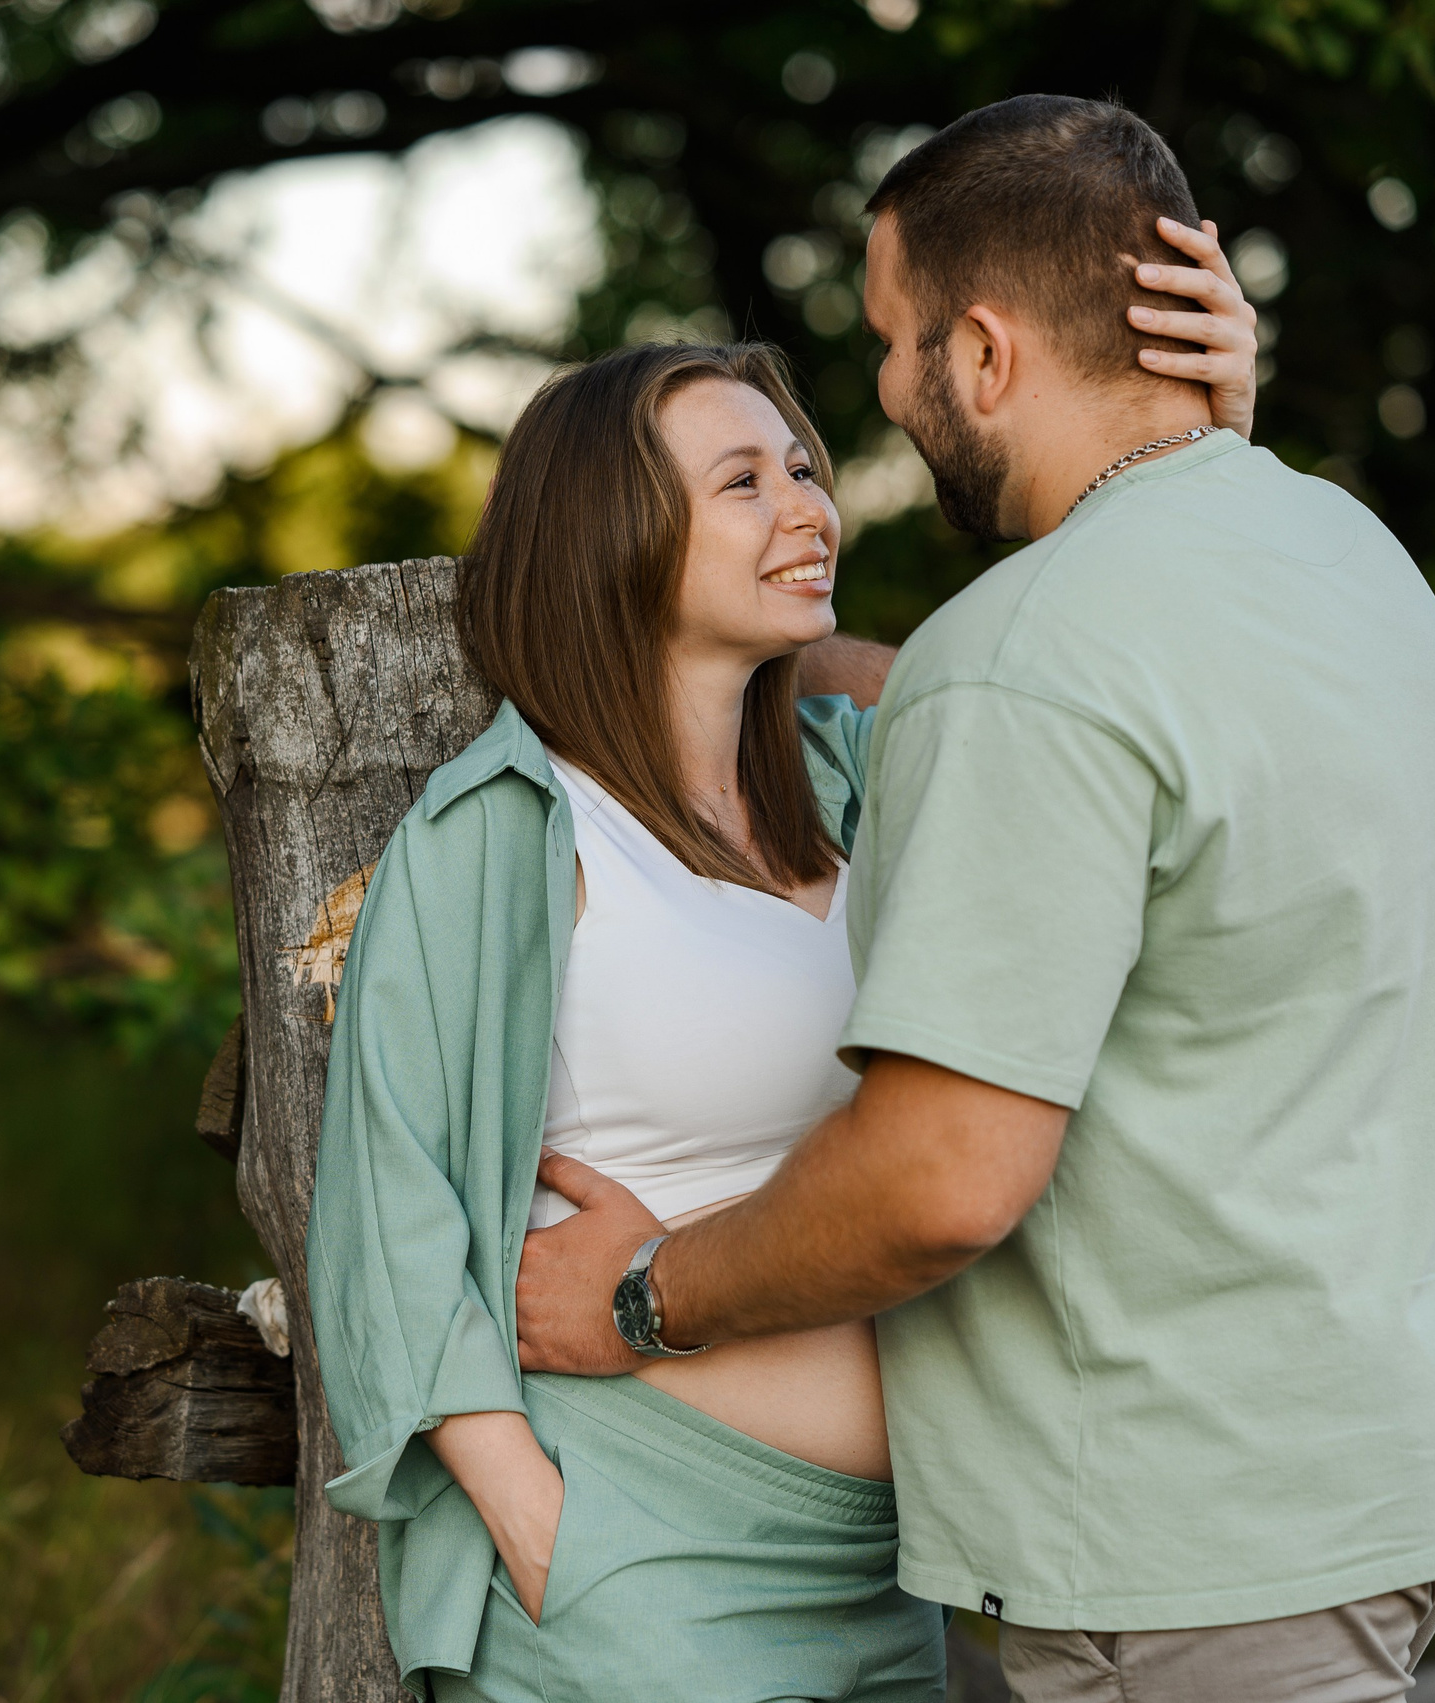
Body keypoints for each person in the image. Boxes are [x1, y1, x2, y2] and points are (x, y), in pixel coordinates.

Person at [512, 93, 1435, 1703]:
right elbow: (1124, 716)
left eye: (892, 343)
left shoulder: (1028, 662)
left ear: (983, 354)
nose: (880, 393)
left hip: (1193, 1537)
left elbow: (940, 1180)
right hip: (1396, 1466)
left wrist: (645, 1296)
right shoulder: (1342, 551)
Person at [305, 174, 1264, 1700]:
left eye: (805, 470)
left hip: (893, 1566)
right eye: (743, 482)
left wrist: (1201, 448)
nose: (809, 507)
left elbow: (1085, 704)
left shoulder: (860, 783)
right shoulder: (508, 832)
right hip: (639, 1567)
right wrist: (534, 1519)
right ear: (614, 531)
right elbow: (386, 1203)